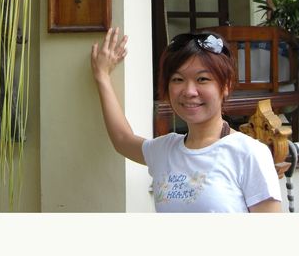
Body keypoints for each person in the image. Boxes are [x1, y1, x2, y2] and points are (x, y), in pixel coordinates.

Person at [91, 27, 282, 213]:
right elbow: (122, 140)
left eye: (202, 79)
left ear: (226, 85)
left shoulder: (249, 153)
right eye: (178, 79)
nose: (189, 91)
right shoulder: (165, 150)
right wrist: (102, 76)